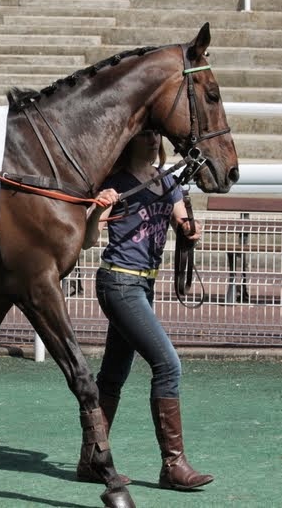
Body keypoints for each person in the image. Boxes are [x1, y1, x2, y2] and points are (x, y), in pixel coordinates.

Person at [79, 129, 211, 491]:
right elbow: (89, 238)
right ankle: (173, 465)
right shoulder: (115, 183)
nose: (153, 139)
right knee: (167, 364)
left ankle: (92, 460)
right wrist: (98, 210)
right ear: (129, 140)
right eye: (145, 134)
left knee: (113, 374)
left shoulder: (167, 179)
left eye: (156, 134)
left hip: (143, 284)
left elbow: (182, 221)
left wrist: (189, 230)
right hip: (119, 282)